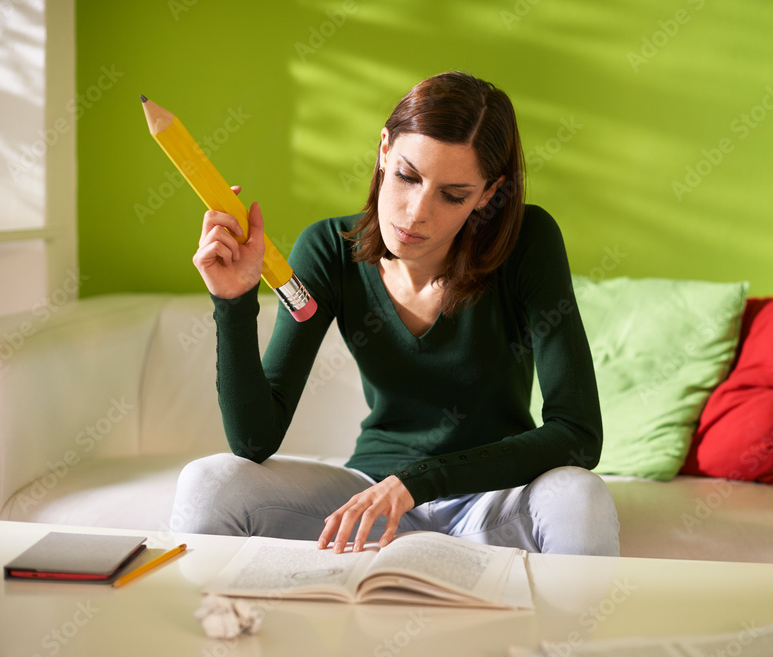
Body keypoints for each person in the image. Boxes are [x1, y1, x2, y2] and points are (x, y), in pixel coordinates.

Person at [172, 71, 620, 557]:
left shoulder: (527, 240)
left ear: (488, 194)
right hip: (370, 496)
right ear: (384, 149)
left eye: (453, 195)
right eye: (408, 176)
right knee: (208, 482)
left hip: (490, 499)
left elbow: (577, 435)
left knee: (581, 494)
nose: (415, 213)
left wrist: (417, 482)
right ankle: (220, 633)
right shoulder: (327, 250)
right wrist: (233, 302)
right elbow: (254, 440)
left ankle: (562, 638)